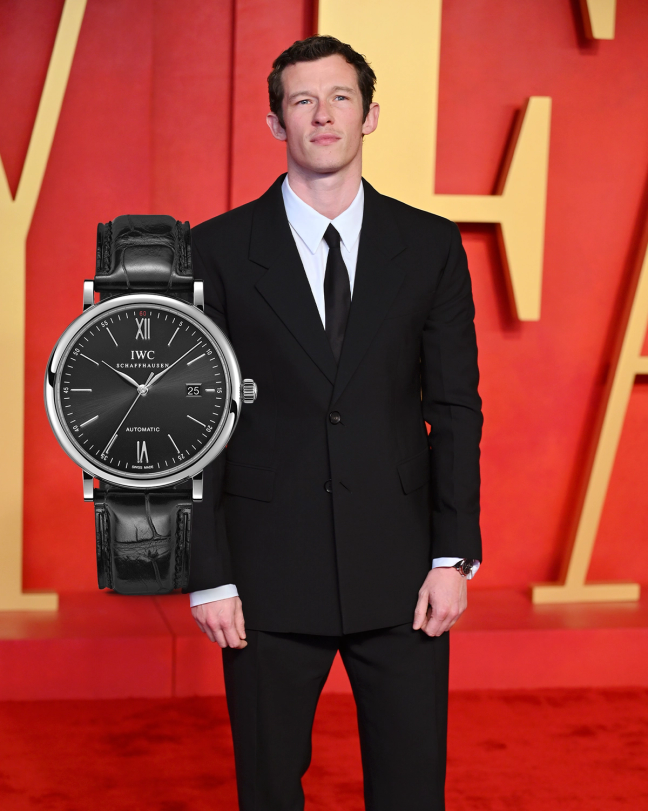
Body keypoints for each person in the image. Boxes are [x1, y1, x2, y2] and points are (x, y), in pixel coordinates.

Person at [187, 35, 482, 811]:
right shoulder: (215, 250)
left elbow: (454, 406)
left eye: (341, 97)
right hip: (264, 573)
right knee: (268, 790)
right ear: (275, 122)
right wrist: (209, 572)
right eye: (303, 100)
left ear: (370, 115)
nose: (323, 114)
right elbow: (195, 419)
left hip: (404, 570)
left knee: (413, 790)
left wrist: (453, 555)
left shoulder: (430, 245)